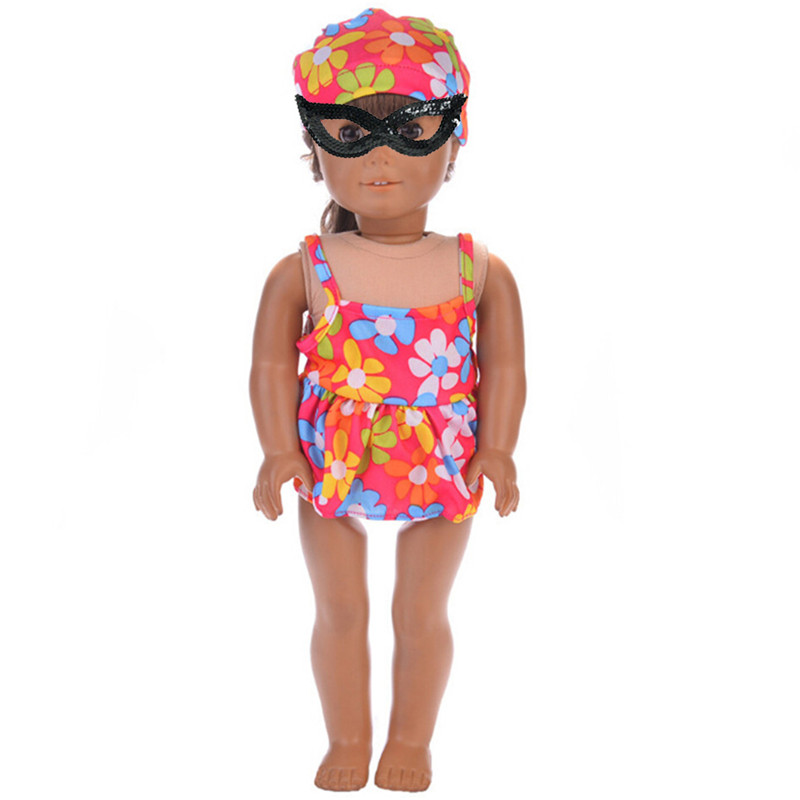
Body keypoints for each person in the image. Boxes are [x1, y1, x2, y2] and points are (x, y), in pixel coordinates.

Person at [250, 9, 525, 792]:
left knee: (420, 612)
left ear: (453, 143)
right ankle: (347, 738)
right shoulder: (304, 268)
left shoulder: (479, 268)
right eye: (349, 134)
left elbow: (506, 367)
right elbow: (269, 364)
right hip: (329, 460)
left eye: (413, 130)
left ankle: (411, 739)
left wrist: (498, 448)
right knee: (340, 611)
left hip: (444, 460)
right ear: (314, 151)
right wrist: (278, 450)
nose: (380, 156)